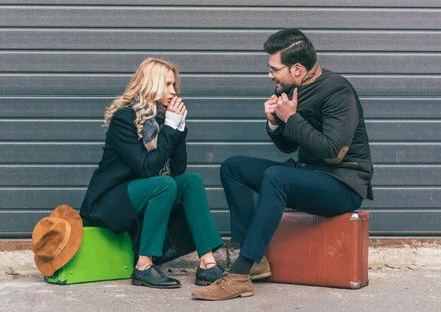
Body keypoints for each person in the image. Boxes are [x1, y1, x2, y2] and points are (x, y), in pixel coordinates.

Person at [193, 28, 374, 301]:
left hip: (342, 184)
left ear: (297, 68)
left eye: (274, 69)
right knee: (233, 167)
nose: (270, 75)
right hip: (309, 175)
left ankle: (240, 275)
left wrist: (291, 118)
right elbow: (290, 146)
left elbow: (333, 151)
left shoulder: (337, 90)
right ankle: (253, 259)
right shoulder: (294, 89)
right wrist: (275, 123)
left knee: (277, 177)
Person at [80, 57, 224, 289]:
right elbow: (146, 167)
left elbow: (178, 171)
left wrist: (178, 129)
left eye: (174, 85)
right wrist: (169, 128)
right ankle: (144, 267)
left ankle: (207, 265)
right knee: (163, 185)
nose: (174, 91)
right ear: (151, 84)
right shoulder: (124, 119)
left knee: (190, 181)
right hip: (108, 202)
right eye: (167, 84)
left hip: (142, 195)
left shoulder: (161, 119)